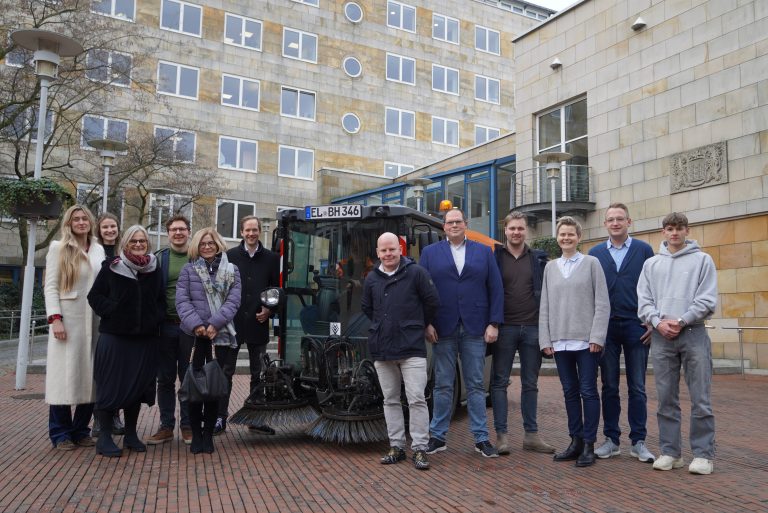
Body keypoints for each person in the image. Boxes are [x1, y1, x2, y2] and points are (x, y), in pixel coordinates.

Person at [637, 212, 717, 475]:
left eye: (679, 228)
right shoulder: (651, 264)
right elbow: (644, 301)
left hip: (693, 332)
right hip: (661, 336)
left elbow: (706, 299)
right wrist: (658, 322)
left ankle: (703, 455)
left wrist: (681, 321)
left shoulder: (703, 260)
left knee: (700, 397)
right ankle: (671, 452)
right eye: (669, 228)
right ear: (663, 232)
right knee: (665, 398)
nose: (674, 233)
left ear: (687, 231)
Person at [419, 208, 504, 458]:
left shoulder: (483, 252)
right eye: (449, 222)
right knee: (443, 384)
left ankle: (481, 439)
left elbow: (496, 288)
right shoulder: (429, 253)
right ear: (443, 227)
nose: (454, 225)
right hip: (442, 326)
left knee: (476, 384)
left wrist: (494, 323)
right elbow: (421, 290)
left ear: (466, 224)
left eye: (458, 221)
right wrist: (426, 323)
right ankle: (438, 436)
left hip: (475, 326)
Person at [361, 232, 440, 470]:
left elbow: (432, 301)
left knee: (416, 399)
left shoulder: (416, 273)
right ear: (378, 252)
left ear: (400, 249)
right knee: (390, 400)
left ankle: (419, 449)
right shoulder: (371, 278)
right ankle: (396, 446)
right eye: (383, 250)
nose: (388, 254)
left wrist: (419, 324)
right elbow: (367, 307)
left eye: (392, 249)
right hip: (382, 349)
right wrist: (382, 326)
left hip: (412, 347)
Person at [87, 225, 165, 457]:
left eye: (142, 241)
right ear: (126, 244)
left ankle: (131, 434)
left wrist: (154, 318)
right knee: (110, 386)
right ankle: (104, 438)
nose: (139, 245)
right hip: (116, 338)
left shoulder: (154, 268)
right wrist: (114, 311)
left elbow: (160, 299)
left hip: (145, 339)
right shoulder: (113, 268)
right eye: (134, 241)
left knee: (138, 388)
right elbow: (94, 296)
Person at [539, 216, 609, 468]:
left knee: (588, 391)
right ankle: (575, 440)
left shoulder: (592, 263)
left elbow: (602, 303)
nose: (566, 238)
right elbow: (544, 304)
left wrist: (597, 336)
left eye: (570, 234)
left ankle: (589, 443)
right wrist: (545, 339)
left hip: (586, 342)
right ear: (557, 238)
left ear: (579, 237)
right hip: (560, 342)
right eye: (562, 234)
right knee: (569, 392)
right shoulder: (550, 267)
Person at [588, 203, 656, 463]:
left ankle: (638, 442)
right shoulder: (594, 254)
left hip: (636, 326)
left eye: (620, 219)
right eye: (610, 219)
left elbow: (653, 287)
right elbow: (590, 293)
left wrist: (652, 320)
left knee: (637, 386)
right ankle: (611, 440)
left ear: (629, 221)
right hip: (606, 328)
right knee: (610, 386)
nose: (615, 223)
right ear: (605, 224)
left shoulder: (643, 250)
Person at [491, 211, 555, 455]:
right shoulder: (495, 257)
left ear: (525, 230)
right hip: (504, 328)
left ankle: (532, 435)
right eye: (512, 228)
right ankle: (502, 436)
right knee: (499, 383)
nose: (516, 232)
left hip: (532, 328)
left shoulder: (538, 259)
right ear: (505, 231)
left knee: (531, 383)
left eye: (520, 228)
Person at [44, 205, 105, 450]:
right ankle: (60, 433)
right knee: (64, 376)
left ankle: (81, 430)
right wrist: (55, 318)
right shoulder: (58, 248)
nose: (81, 222)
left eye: (84, 218)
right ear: (68, 223)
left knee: (91, 376)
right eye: (76, 219)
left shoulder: (99, 249)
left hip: (96, 320)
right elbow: (50, 286)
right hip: (68, 320)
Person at [176, 227, 241, 454]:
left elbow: (233, 301)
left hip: (219, 336)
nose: (206, 247)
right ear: (196, 245)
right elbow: (182, 301)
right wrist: (198, 326)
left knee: (213, 387)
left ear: (218, 245)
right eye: (202, 243)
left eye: (210, 243)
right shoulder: (188, 270)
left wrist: (214, 324)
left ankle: (208, 436)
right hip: (193, 336)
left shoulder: (232, 270)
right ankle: (195, 434)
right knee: (194, 387)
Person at [222, 215, 279, 435]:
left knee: (259, 373)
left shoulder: (272, 259)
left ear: (259, 231)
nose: (251, 233)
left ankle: (255, 418)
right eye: (247, 230)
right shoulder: (230, 256)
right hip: (233, 324)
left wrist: (270, 310)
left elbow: (276, 290)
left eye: (255, 229)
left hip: (258, 322)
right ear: (242, 232)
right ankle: (220, 417)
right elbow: (223, 288)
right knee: (226, 372)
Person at [147, 215, 194, 446]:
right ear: (168, 233)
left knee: (188, 378)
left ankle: (187, 425)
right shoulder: (159, 259)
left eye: (182, 229)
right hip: (164, 327)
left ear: (188, 232)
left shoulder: (197, 258)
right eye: (174, 230)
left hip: (189, 328)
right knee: (164, 379)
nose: (178, 233)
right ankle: (166, 426)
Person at [92, 212, 125, 437]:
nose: (110, 230)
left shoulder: (124, 252)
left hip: (118, 322)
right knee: (101, 371)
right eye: (105, 227)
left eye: (113, 226)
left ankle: (114, 415)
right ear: (99, 230)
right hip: (97, 315)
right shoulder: (94, 253)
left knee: (117, 371)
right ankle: (99, 418)